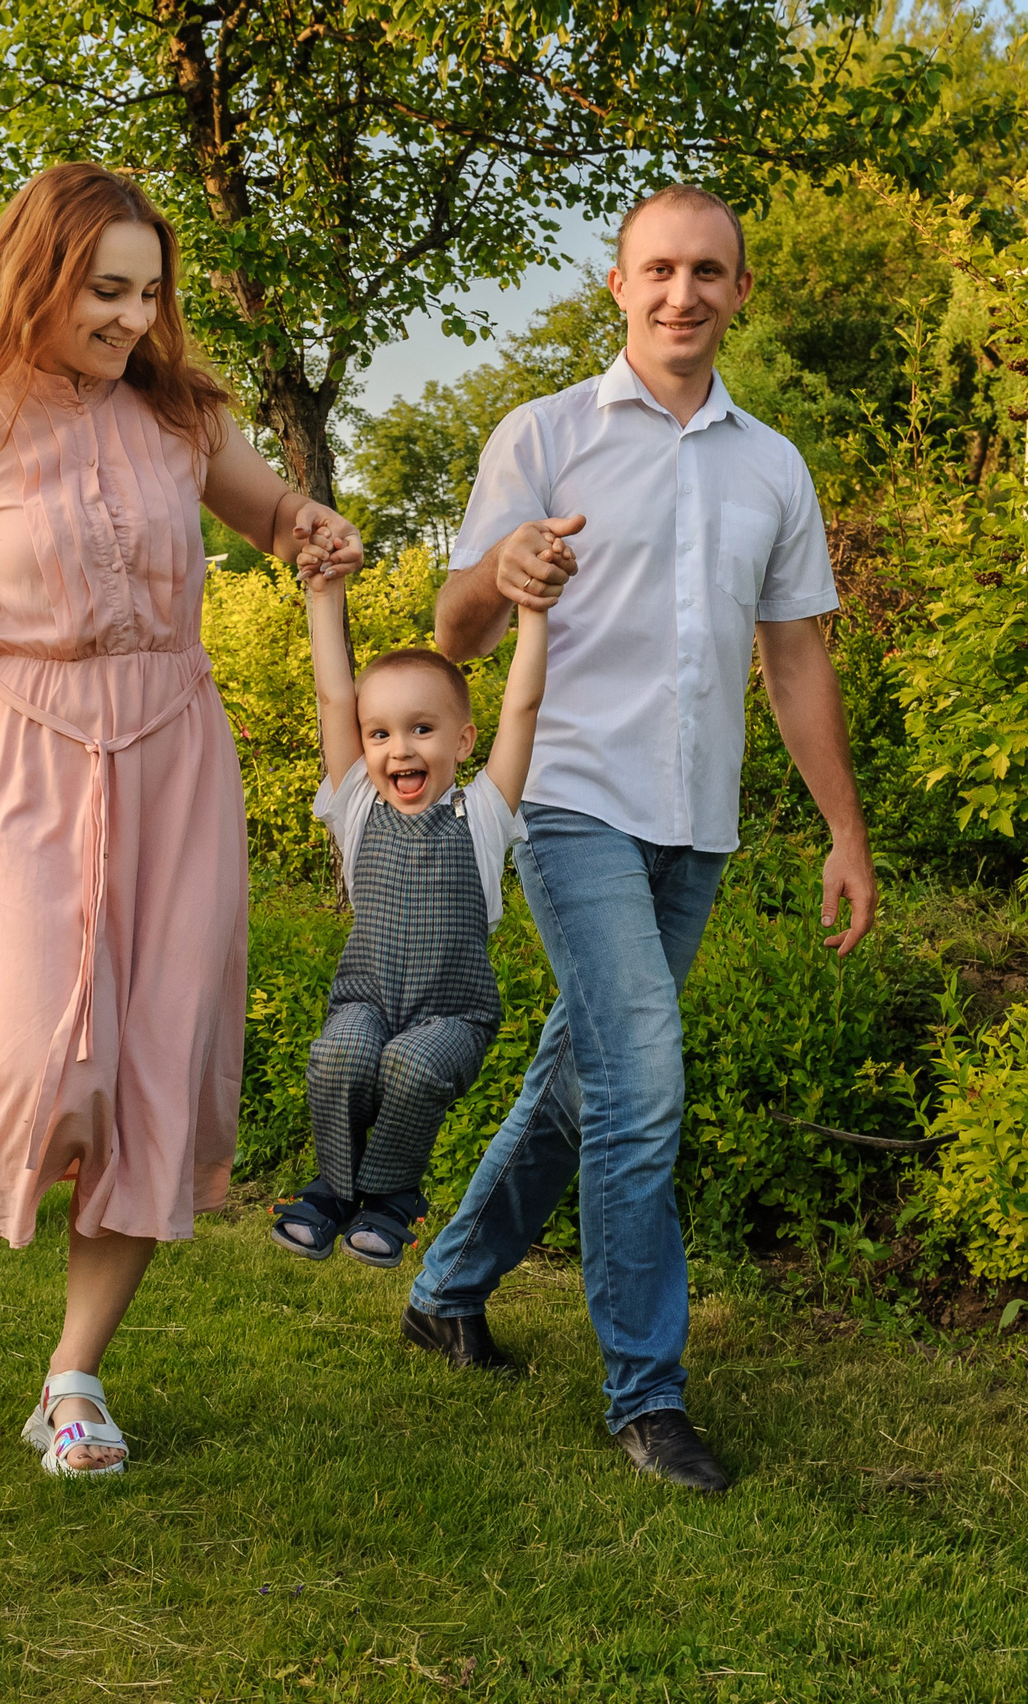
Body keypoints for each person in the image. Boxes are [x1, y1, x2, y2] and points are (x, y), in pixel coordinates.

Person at [0, 162, 363, 1478]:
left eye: (148, 292)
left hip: (174, 750)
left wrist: (309, 527)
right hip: (30, 755)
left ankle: (76, 1374)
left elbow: (279, 518)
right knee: (40, 1053)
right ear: (37, 280)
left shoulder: (185, 418)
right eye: (107, 290)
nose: (130, 317)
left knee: (155, 1058)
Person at [403, 184, 878, 1494]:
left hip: (696, 825)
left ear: (740, 293)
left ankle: (447, 1289)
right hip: (567, 797)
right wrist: (500, 574)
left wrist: (845, 830)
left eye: (708, 272)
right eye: (658, 270)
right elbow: (451, 629)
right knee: (641, 1087)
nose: (683, 293)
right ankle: (647, 1396)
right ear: (617, 287)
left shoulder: (772, 467)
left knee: (585, 1072)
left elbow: (793, 662)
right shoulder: (546, 437)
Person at [269, 549, 548, 1267]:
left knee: (413, 1068)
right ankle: (333, 1191)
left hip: (455, 1015)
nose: (399, 749)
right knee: (341, 1054)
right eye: (381, 733)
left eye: (422, 730)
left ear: (461, 742)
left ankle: (393, 1198)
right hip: (366, 998)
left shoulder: (485, 812)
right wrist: (323, 595)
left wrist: (533, 613)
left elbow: (522, 705)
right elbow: (335, 695)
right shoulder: (357, 803)